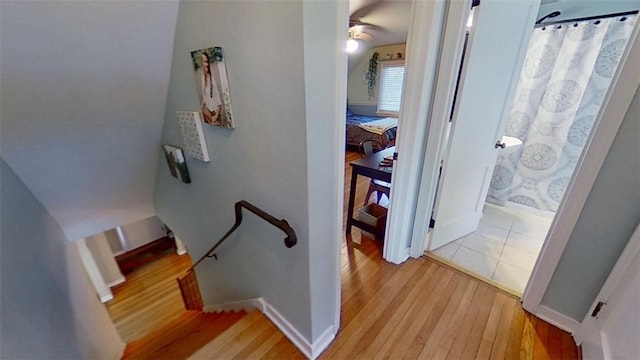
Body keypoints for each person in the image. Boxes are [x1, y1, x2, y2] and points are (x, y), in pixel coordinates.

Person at [200, 52, 222, 125]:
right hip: (208, 111)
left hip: (215, 111)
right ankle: (213, 122)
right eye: (203, 62)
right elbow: (204, 96)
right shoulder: (203, 78)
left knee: (213, 122)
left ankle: (213, 121)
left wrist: (217, 113)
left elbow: (217, 94)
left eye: (206, 62)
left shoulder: (211, 77)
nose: (205, 64)